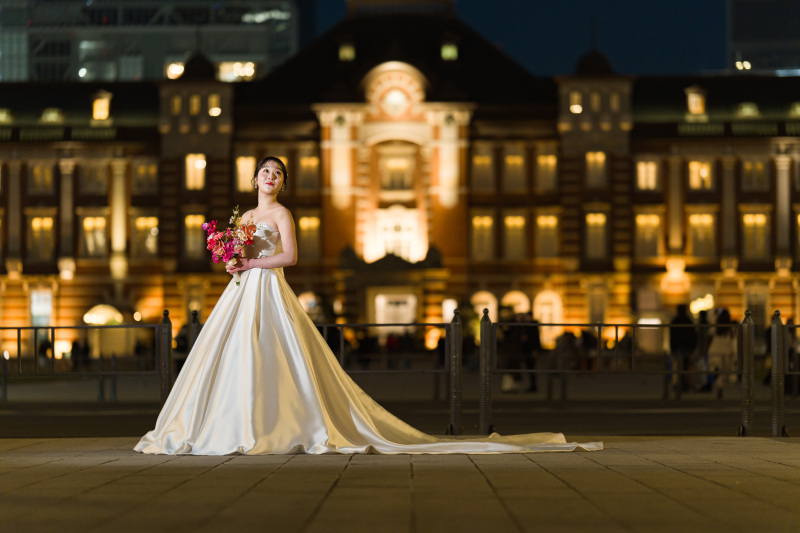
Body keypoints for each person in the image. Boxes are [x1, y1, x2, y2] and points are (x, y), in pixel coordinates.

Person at [135, 156, 600, 455]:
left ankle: (272, 423)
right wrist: (234, 262)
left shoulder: (280, 214)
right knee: (234, 352)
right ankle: (230, 422)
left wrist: (253, 262)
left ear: (282, 183)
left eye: (278, 173)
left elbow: (290, 257)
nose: (270, 177)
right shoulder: (248, 216)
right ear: (254, 178)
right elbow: (240, 256)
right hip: (243, 289)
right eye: (265, 172)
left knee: (275, 351)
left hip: (268, 286)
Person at [707, 308, 736, 399]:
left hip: (715, 350)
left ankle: (718, 384)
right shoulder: (730, 329)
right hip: (726, 352)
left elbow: (710, 333)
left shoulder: (716, 327)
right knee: (724, 372)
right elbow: (733, 342)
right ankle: (720, 386)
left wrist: (715, 316)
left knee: (716, 369)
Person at [669, 304, 697, 392]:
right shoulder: (689, 321)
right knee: (686, 366)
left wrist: (672, 348)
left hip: (678, 347)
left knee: (678, 367)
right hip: (687, 347)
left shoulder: (675, 321)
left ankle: (679, 384)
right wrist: (693, 347)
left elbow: (672, 336)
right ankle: (685, 385)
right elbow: (694, 335)